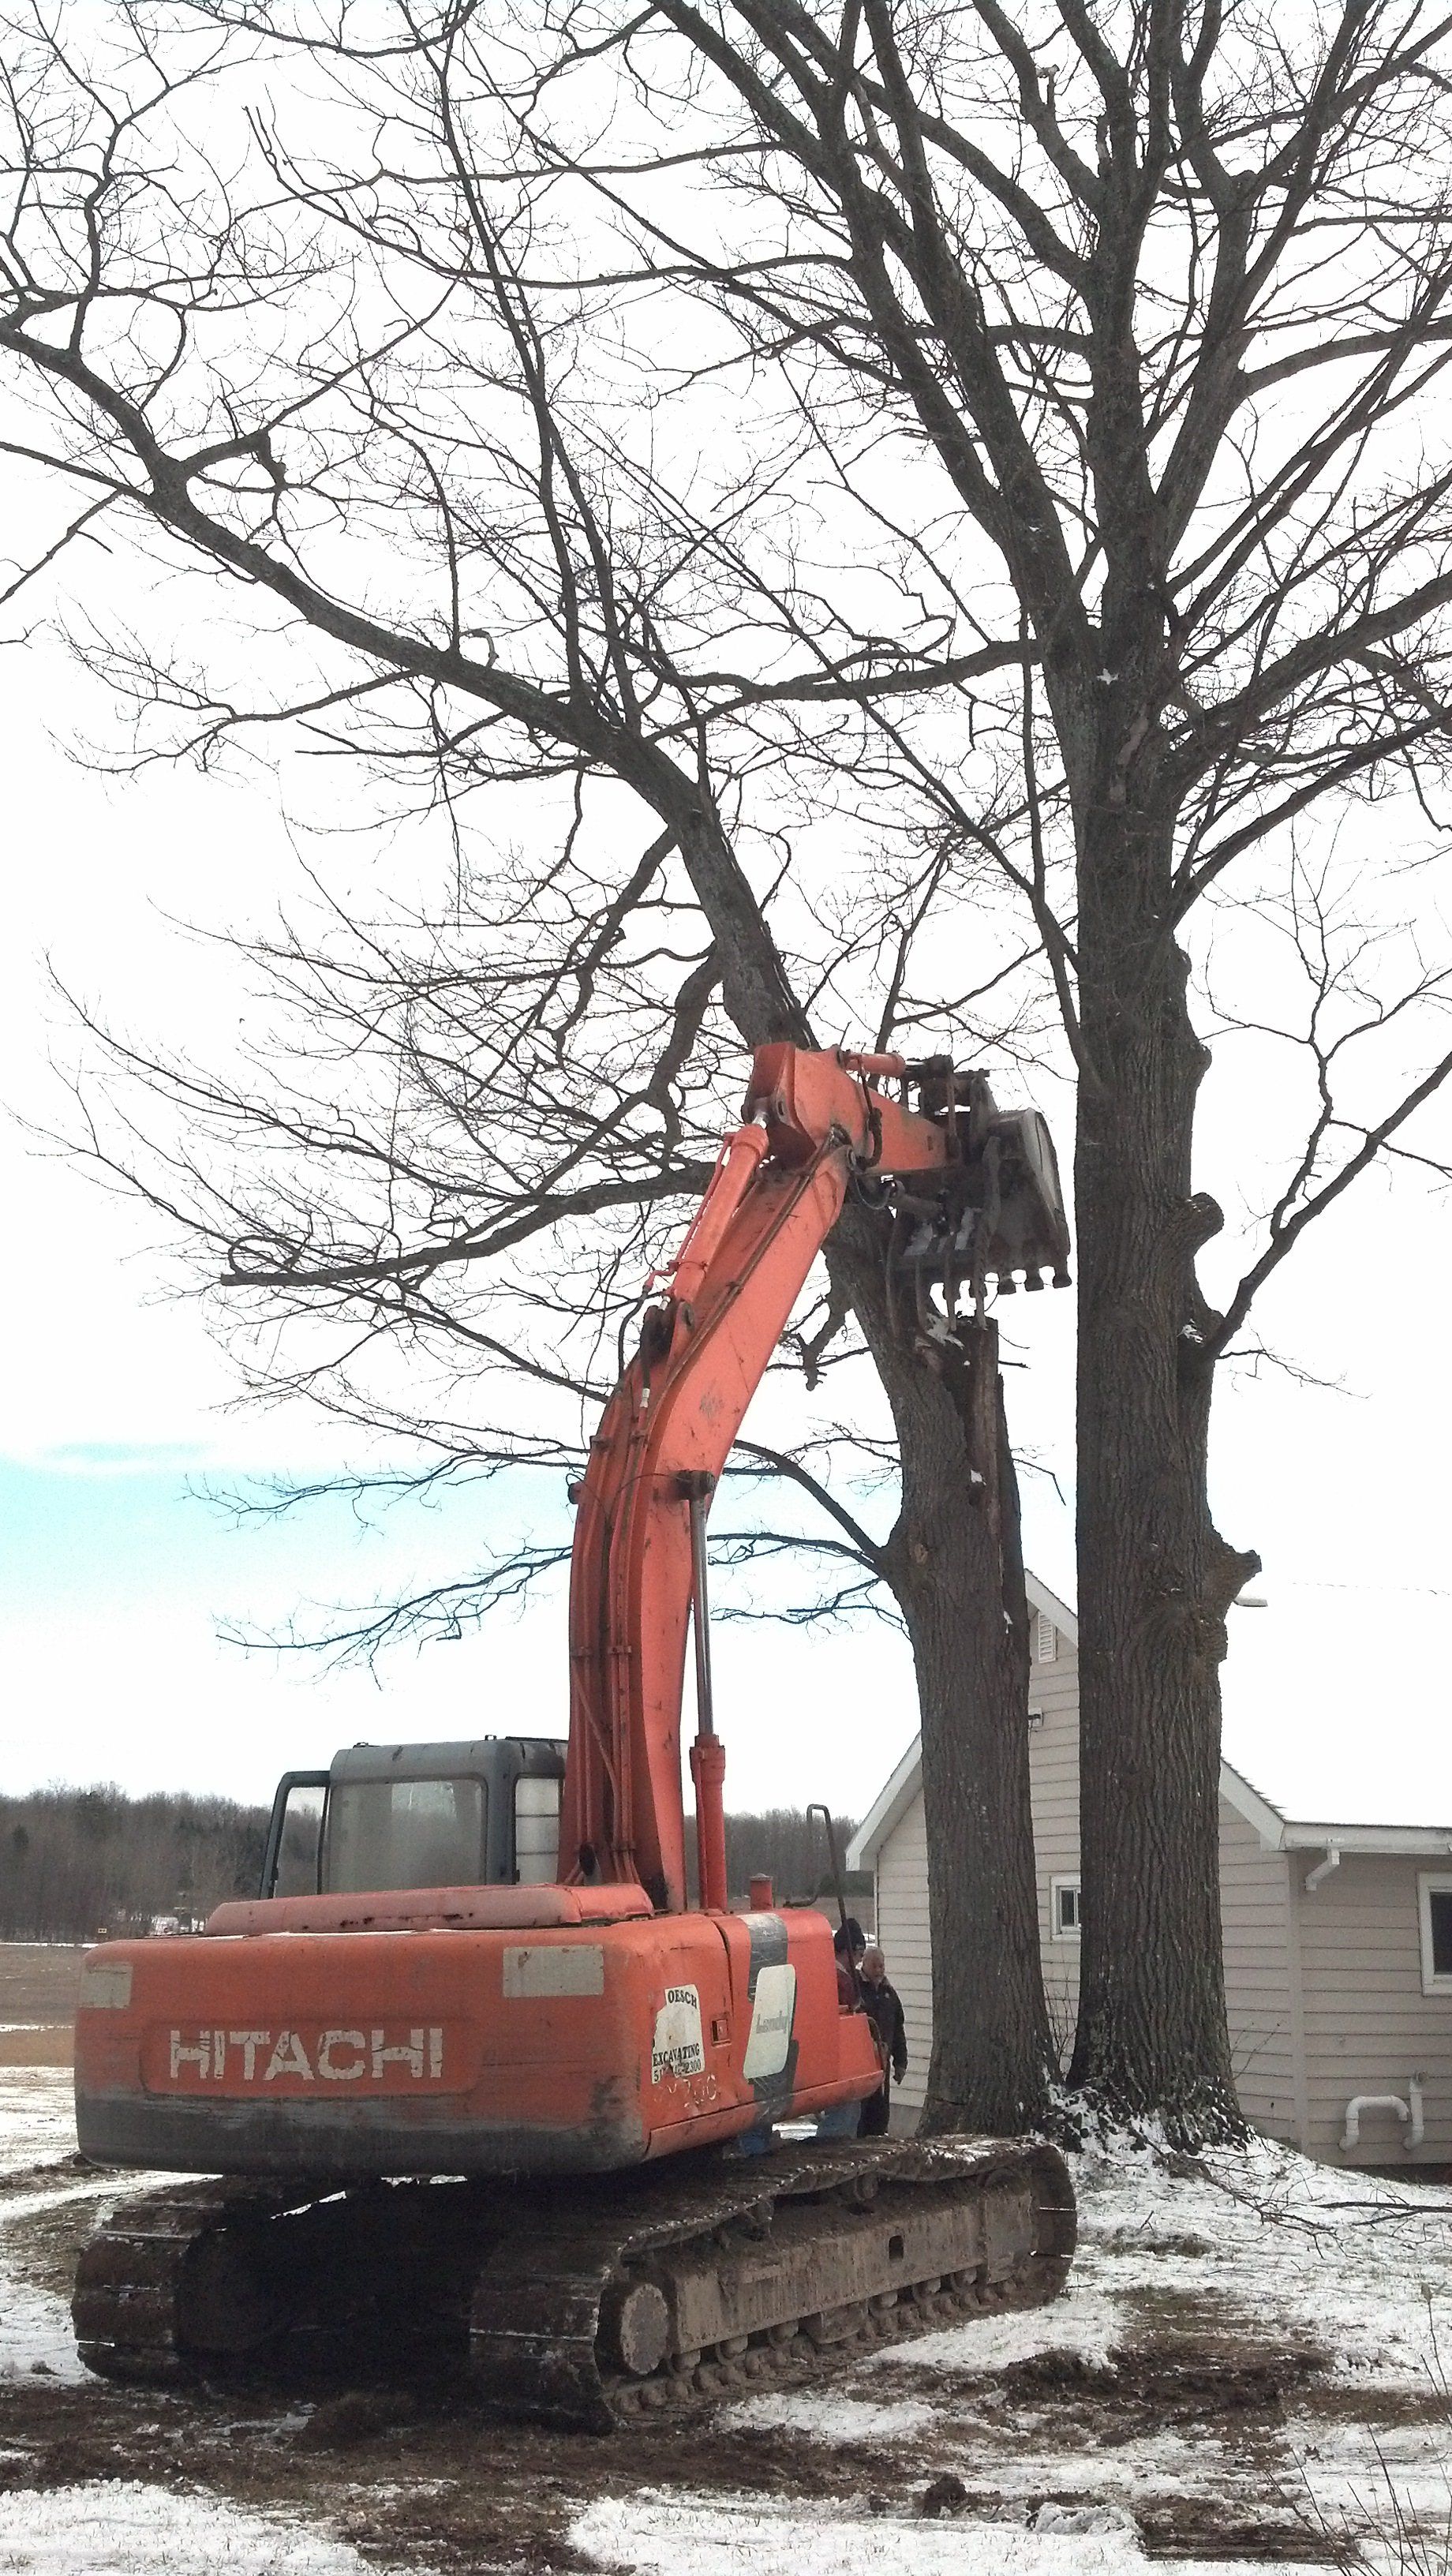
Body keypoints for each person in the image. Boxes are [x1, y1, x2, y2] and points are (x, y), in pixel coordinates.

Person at [856, 1944, 908, 2137]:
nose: (879, 1970)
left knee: (880, 2113)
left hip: (882, 2064)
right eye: (875, 1966)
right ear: (865, 1964)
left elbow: (898, 2030)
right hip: (861, 2063)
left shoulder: (890, 1995)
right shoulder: (857, 1990)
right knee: (861, 2113)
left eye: (882, 1966)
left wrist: (900, 2062)